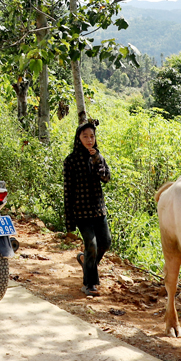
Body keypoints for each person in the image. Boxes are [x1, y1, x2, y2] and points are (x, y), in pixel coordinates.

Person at [62, 120, 111, 296]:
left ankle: (85, 262)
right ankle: (88, 284)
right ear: (78, 138)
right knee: (91, 244)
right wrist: (69, 222)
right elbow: (68, 190)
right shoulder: (71, 160)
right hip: (81, 212)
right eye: (85, 136)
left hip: (98, 210)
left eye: (92, 136)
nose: (89, 140)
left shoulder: (98, 157)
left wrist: (97, 159)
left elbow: (106, 178)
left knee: (105, 243)